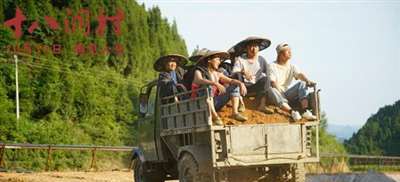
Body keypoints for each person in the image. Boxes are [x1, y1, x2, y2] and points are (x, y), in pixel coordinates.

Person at [192, 50, 248, 125]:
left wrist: (240, 83)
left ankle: (235, 113)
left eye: (220, 60)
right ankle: (215, 117)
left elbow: (231, 80)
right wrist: (215, 83)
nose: (219, 62)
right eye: (217, 59)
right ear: (209, 60)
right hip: (200, 104)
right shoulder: (199, 71)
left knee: (234, 85)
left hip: (214, 102)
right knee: (207, 87)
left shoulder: (217, 74)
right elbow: (198, 80)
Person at [268, 42, 317, 121]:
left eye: (290, 50)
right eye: (287, 51)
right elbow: (273, 82)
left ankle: (305, 111)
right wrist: (281, 94)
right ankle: (292, 112)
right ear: (280, 54)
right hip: (277, 93)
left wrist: (307, 80)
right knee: (271, 89)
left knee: (302, 83)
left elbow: (299, 74)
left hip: (286, 93)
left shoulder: (292, 66)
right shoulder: (272, 66)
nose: (290, 52)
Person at [230, 36, 274, 114]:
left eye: (255, 46)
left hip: (255, 86)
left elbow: (268, 74)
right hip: (243, 86)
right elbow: (233, 73)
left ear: (258, 48)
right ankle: (241, 103)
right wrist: (243, 72)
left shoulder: (261, 60)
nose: (253, 49)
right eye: (251, 46)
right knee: (237, 75)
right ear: (246, 48)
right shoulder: (241, 59)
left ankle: (262, 105)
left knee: (266, 79)